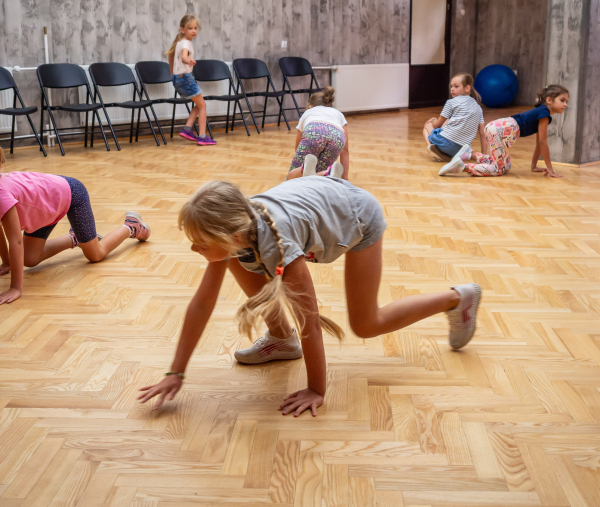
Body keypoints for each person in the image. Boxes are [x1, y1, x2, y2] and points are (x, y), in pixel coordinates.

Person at [137, 177, 482, 416]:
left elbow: (310, 322)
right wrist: (176, 372)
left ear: (234, 235)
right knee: (235, 263)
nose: (193, 249)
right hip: (323, 201)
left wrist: (316, 389)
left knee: (366, 324)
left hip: (358, 218)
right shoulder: (239, 230)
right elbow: (202, 304)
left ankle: (456, 299)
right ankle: (281, 341)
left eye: (200, 242)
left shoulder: (279, 245)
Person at [0, 150, 150, 305]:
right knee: (29, 258)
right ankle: (74, 238)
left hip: (72, 194)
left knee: (95, 255)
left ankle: (131, 226)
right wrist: (7, 262)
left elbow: (16, 241)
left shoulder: (1, 194)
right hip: (44, 206)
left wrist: (15, 288)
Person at [439, 84, 569, 178]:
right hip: (499, 131)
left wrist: (534, 166)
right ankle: (462, 166)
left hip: (498, 128)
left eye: (566, 101)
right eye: (562, 100)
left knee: (506, 166)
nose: (565, 104)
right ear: (549, 100)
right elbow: (542, 142)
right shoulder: (544, 113)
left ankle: (470, 155)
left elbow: (539, 143)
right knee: (498, 169)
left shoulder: (542, 112)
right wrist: (550, 169)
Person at [166, 14, 216, 146]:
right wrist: (189, 61)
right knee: (203, 106)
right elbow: (184, 58)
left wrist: (173, 74)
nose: (193, 31)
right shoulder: (186, 43)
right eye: (190, 28)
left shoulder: (179, 42)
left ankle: (187, 129)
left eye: (195, 28)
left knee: (198, 105)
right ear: (182, 30)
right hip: (186, 78)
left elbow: (171, 57)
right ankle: (202, 136)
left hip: (178, 78)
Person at [286, 87, 349, 180]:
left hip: (314, 130)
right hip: (337, 137)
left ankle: (303, 168)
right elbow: (345, 150)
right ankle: (327, 173)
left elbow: (298, 144)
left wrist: (300, 162)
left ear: (310, 106)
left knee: (291, 178)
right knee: (317, 178)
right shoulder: (338, 113)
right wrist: (345, 178)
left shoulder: (308, 112)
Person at [423, 73, 485, 162]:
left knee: (427, 126)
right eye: (451, 86)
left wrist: (433, 120)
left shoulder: (451, 102)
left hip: (445, 143)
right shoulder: (478, 108)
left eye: (456, 86)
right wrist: (484, 154)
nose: (452, 89)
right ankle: (481, 157)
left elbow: (436, 125)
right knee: (448, 120)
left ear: (467, 88)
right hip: (463, 148)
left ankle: (435, 151)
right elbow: (482, 133)